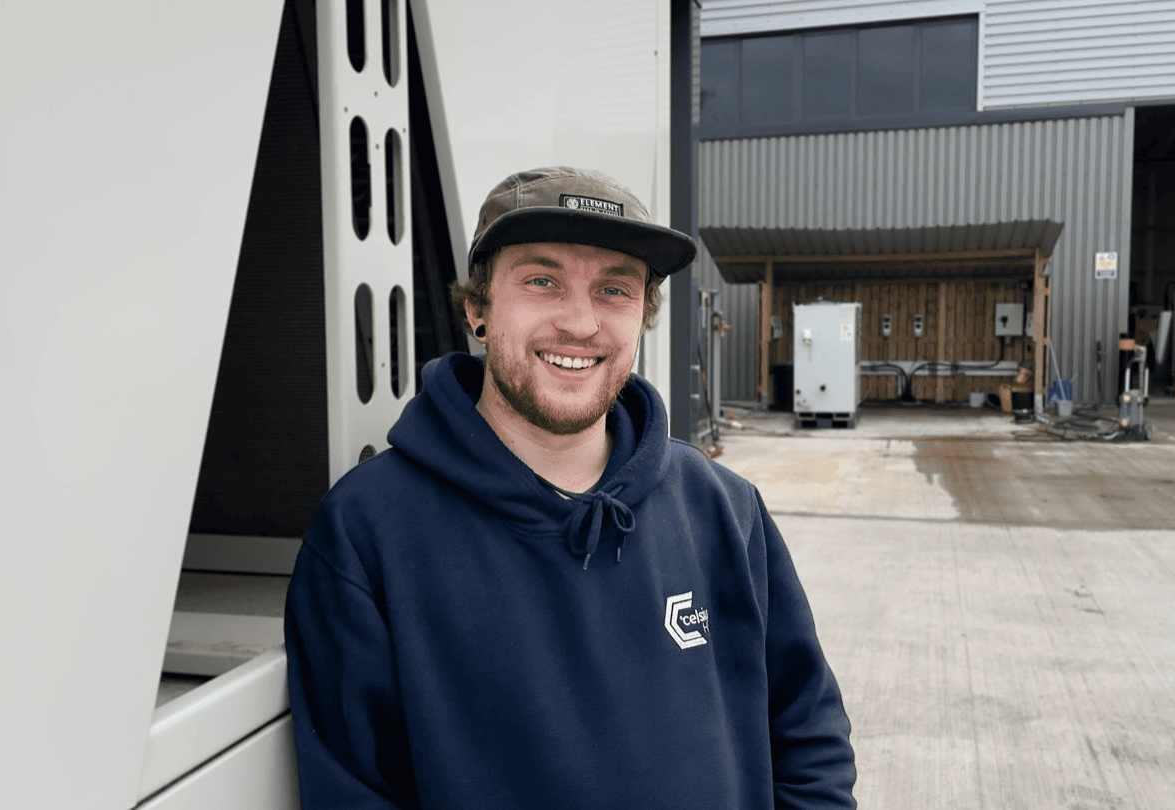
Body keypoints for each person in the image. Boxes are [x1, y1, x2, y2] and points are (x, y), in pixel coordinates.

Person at [284, 166, 857, 809]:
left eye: (614, 289)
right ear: (478, 308)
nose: (581, 323)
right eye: (542, 280)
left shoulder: (723, 508)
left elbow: (809, 737)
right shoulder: (367, 532)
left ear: (642, 315)